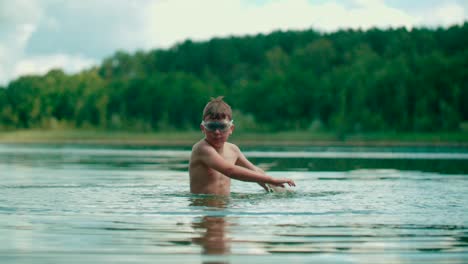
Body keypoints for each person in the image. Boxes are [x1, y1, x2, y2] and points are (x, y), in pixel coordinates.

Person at [189, 96, 296, 195]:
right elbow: (230, 170)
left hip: (225, 209)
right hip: (204, 208)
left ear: (231, 129)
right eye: (211, 126)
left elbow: (255, 171)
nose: (217, 132)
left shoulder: (233, 150)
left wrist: (280, 191)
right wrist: (272, 180)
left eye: (222, 126)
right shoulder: (202, 149)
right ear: (203, 128)